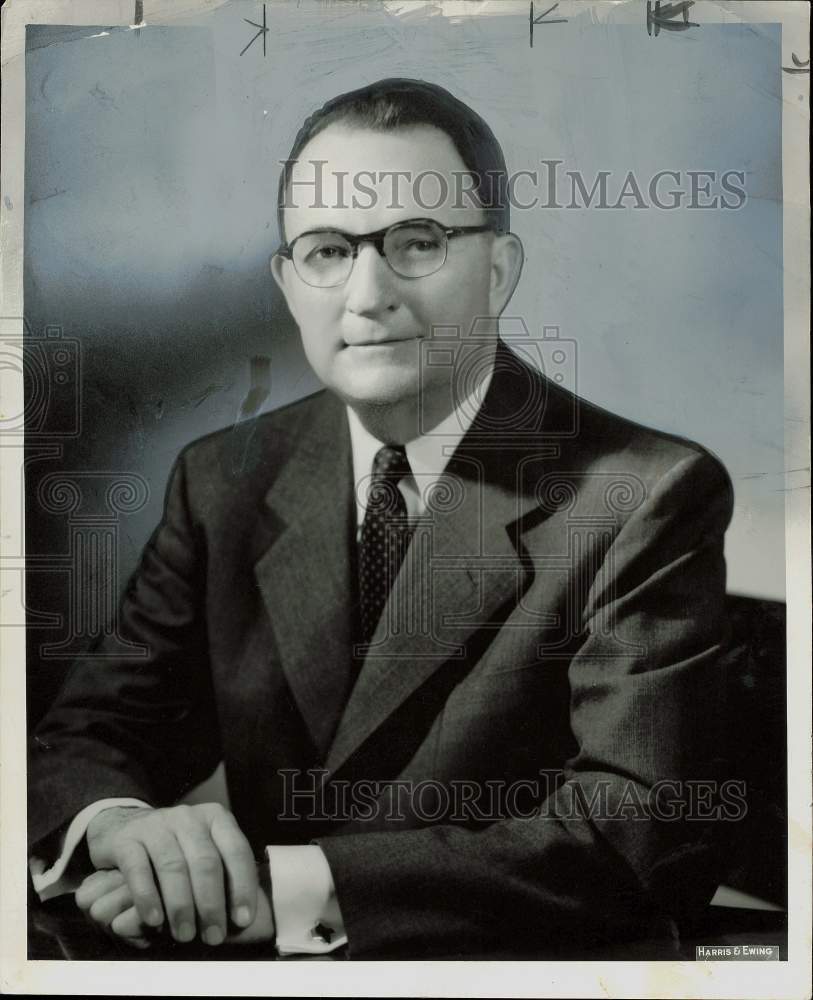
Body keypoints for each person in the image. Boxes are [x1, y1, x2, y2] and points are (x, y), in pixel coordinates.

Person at [28, 78, 734, 959]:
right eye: (326, 251)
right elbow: (90, 731)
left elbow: (641, 828)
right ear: (288, 284)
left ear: (500, 269)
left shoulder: (644, 495)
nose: (366, 294)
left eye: (417, 242)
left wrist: (287, 892)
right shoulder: (223, 478)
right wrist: (126, 830)